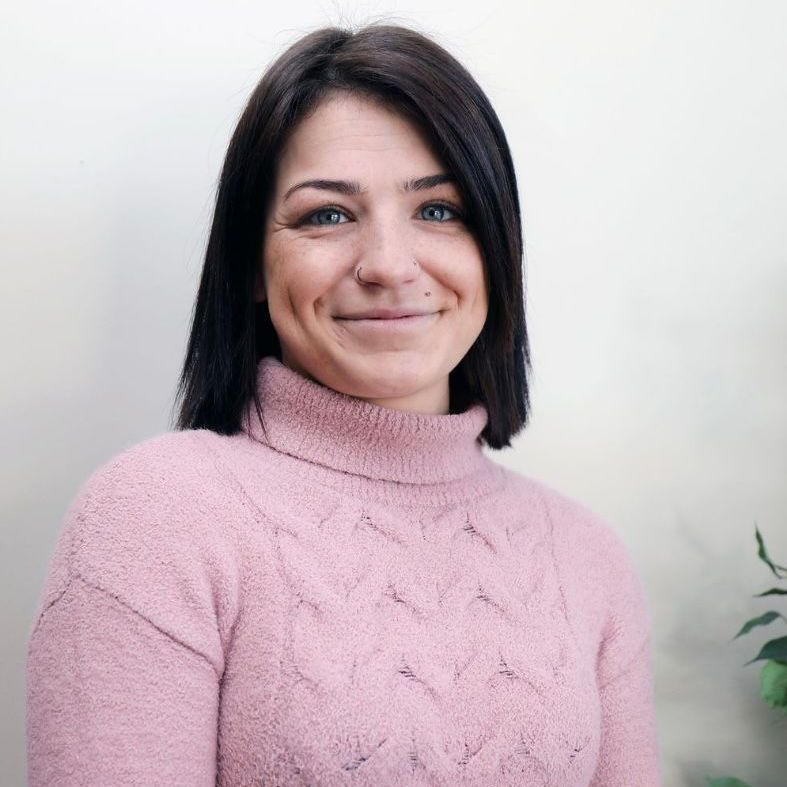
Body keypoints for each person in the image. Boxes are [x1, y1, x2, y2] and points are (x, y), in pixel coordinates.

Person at [26, 23, 662, 786]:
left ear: (496, 248)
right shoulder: (156, 517)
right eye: (327, 214)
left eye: (439, 211)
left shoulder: (584, 554)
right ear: (252, 265)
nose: (390, 266)